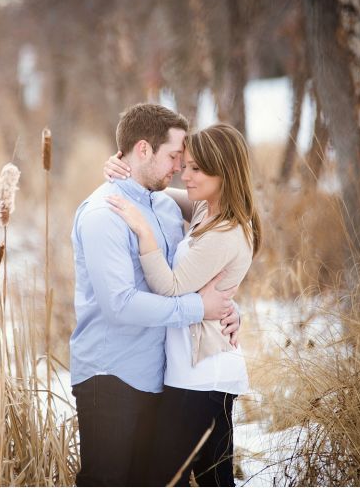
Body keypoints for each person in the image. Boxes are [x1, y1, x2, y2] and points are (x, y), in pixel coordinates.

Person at [70, 103, 241, 487]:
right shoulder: (103, 214)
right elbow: (120, 305)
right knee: (107, 481)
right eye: (174, 157)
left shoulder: (164, 203)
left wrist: (227, 307)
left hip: (160, 375)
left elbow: (222, 210)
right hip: (110, 375)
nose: (180, 167)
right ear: (143, 149)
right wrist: (200, 308)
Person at [104, 123, 261, 486]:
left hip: (201, 377)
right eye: (184, 165)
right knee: (214, 479)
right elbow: (166, 195)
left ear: (224, 173)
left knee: (159, 477)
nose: (184, 175)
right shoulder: (210, 209)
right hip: (202, 371)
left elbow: (170, 287)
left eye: (195, 169)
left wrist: (144, 231)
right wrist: (124, 171)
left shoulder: (224, 233)